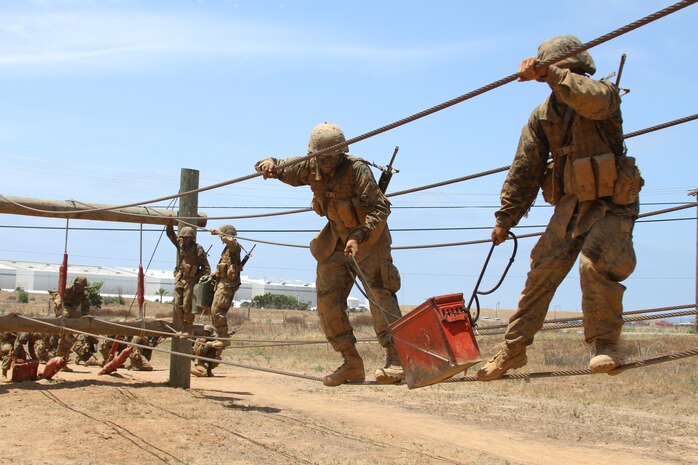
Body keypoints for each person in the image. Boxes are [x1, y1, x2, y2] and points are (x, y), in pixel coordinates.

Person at [477, 35, 642, 381]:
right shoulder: (542, 117)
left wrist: (550, 72)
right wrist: (505, 217)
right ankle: (513, 350)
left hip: (611, 203)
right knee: (540, 274)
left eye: (563, 73)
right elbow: (524, 169)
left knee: (596, 265)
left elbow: (589, 98)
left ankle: (605, 346)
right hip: (571, 207)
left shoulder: (603, 95)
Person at [255, 122, 404, 386]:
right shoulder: (309, 165)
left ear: (342, 153)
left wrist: (359, 236)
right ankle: (351, 363)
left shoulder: (357, 169)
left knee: (380, 294)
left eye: (333, 156)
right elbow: (283, 167)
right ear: (313, 153)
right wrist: (269, 163)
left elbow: (379, 210)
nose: (327, 161)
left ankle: (397, 359)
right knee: (327, 300)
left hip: (370, 239)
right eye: (321, 156)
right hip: (336, 238)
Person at [166, 221, 211, 334]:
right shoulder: (180, 244)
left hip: (191, 280)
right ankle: (181, 327)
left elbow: (206, 268)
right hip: (180, 278)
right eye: (184, 238)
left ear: (192, 238)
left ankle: (188, 328)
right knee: (177, 304)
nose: (185, 240)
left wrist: (197, 277)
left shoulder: (198, 249)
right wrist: (169, 222)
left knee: (187, 305)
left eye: (188, 238)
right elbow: (171, 235)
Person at [209, 224, 243, 346]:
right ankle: (219, 335)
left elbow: (229, 241)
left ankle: (223, 338)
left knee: (217, 310)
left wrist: (219, 233)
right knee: (214, 309)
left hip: (227, 285)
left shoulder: (234, 247)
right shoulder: (227, 250)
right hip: (222, 282)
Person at [55, 275, 91, 372]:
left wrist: (85, 316)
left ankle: (68, 335)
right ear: (76, 284)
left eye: (83, 287)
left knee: (76, 319)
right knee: (67, 316)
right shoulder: (67, 289)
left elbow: (86, 305)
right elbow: (58, 297)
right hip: (63, 307)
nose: (81, 289)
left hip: (72, 310)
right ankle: (66, 333)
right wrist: (59, 304)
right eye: (80, 286)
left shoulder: (83, 294)